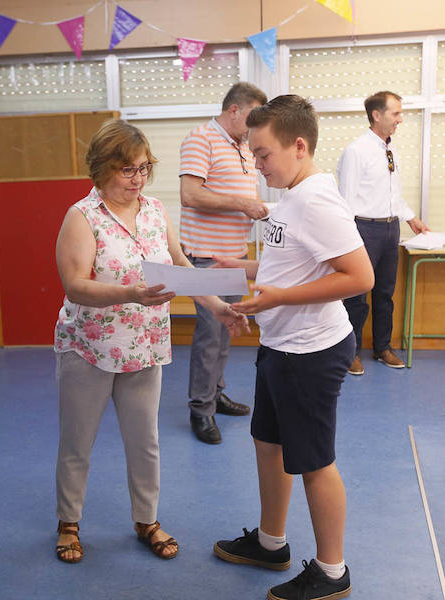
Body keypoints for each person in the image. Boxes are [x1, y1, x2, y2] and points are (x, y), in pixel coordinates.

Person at [53, 119, 249, 564]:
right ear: (103, 169)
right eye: (128, 170)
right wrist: (132, 293)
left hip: (144, 347)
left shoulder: (156, 211)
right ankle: (68, 522)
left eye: (144, 169)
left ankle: (147, 520)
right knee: (77, 443)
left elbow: (179, 266)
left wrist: (217, 306)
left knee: (145, 441)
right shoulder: (81, 217)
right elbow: (75, 286)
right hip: (90, 348)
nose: (138, 179)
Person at [212, 95, 374, 600]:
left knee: (313, 461)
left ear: (298, 146)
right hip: (280, 345)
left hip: (310, 352)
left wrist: (279, 297)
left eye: (263, 155)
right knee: (270, 444)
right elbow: (295, 264)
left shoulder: (317, 200)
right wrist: (243, 272)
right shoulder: (291, 199)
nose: (257, 167)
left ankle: (331, 573)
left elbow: (358, 276)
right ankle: (270, 542)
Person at [178, 82, 268, 444]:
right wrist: (243, 204)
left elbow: (241, 192)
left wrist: (257, 207)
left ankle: (215, 392)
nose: (254, 125)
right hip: (207, 256)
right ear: (234, 110)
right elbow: (191, 194)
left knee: (228, 330)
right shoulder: (201, 138)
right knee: (209, 336)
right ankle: (201, 409)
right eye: (252, 117)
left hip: (234, 256)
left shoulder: (243, 146)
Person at [336, 91, 430, 375]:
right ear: (377, 115)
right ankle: (350, 352)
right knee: (356, 295)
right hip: (363, 228)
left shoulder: (390, 150)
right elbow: (347, 199)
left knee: (385, 293)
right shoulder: (356, 151)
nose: (400, 120)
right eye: (396, 114)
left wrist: (411, 218)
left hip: (391, 229)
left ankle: (382, 347)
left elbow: (393, 195)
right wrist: (348, 238)